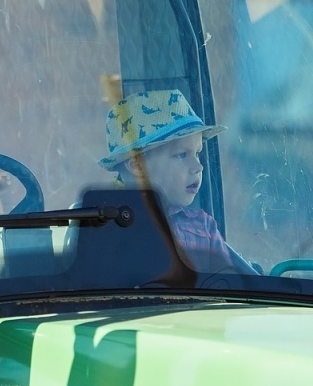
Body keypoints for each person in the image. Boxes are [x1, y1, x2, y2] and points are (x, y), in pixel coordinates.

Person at [100, 89, 256, 275]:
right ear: (138, 166)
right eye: (182, 155)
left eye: (197, 153)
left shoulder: (202, 227)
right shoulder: (103, 226)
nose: (198, 166)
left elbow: (225, 289)